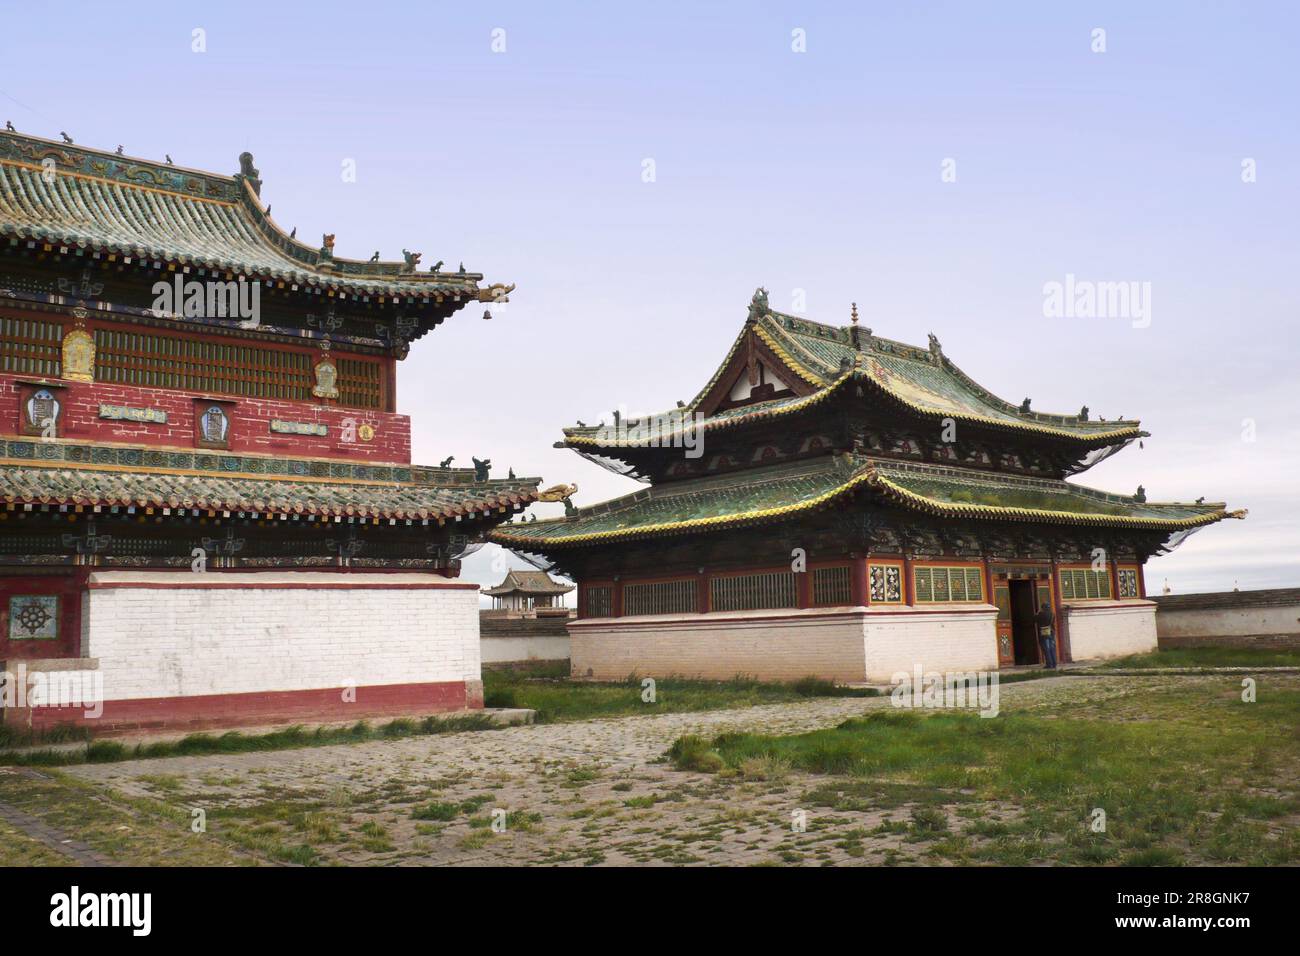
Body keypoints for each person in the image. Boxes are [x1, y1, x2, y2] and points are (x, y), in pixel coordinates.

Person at [1035, 604, 1058, 669]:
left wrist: (1037, 613)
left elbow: (1034, 619)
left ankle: (1049, 664)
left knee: (1046, 649)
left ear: (1043, 608)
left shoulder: (1041, 614)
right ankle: (1054, 663)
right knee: (1052, 648)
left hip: (1044, 633)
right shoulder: (1052, 614)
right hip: (1052, 632)